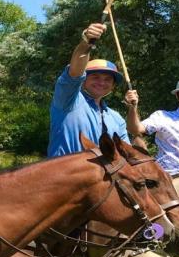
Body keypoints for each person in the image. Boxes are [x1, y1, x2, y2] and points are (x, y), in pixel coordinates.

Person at [47, 22, 128, 157]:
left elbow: (125, 153)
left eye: (108, 79)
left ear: (113, 86)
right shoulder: (68, 101)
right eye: (95, 77)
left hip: (102, 178)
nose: (101, 82)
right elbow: (74, 74)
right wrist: (87, 43)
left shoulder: (117, 118)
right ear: (84, 80)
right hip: (64, 176)